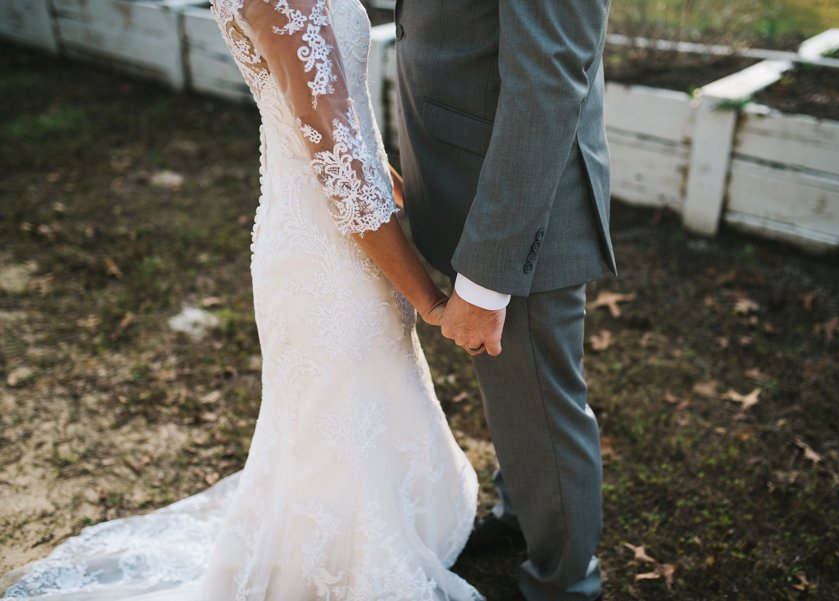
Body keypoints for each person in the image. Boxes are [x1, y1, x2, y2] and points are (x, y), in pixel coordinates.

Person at [1, 1, 483, 599]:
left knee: (360, 400)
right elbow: (336, 159)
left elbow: (339, 128)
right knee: (342, 404)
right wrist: (432, 301)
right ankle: (343, 563)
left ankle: (372, 533)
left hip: (333, 232)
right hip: (327, 254)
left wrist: (408, 193)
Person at [394, 0, 618, 599]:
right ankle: (523, 514)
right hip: (472, 174)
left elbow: (549, 77)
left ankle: (566, 583)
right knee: (520, 399)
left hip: (525, 212)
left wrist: (487, 279)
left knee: (544, 409)